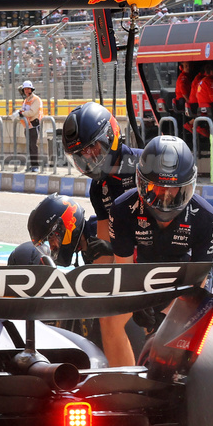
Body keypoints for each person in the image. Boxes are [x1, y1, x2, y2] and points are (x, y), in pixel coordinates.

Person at [108, 135, 213, 349]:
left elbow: (199, 284)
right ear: (142, 183)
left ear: (187, 187)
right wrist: (136, 303)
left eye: (173, 189)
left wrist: (168, 315)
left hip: (186, 278)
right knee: (111, 321)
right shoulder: (122, 209)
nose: (165, 196)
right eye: (157, 188)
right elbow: (122, 268)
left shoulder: (206, 217)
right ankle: (123, 377)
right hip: (141, 276)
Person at [61, 102, 142, 365]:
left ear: (111, 134)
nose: (89, 157)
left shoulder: (145, 163)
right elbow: (106, 245)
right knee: (105, 312)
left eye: (93, 147)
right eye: (81, 153)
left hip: (165, 255)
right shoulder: (98, 189)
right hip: (130, 265)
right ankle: (124, 381)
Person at [14, 80, 44, 172]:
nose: (26, 91)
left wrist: (21, 114)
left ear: (31, 89)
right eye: (25, 89)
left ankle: (35, 165)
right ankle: (31, 165)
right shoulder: (26, 100)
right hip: (27, 126)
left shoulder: (36, 99)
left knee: (33, 146)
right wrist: (19, 113)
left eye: (28, 89)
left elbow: (32, 112)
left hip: (34, 125)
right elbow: (23, 110)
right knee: (29, 146)